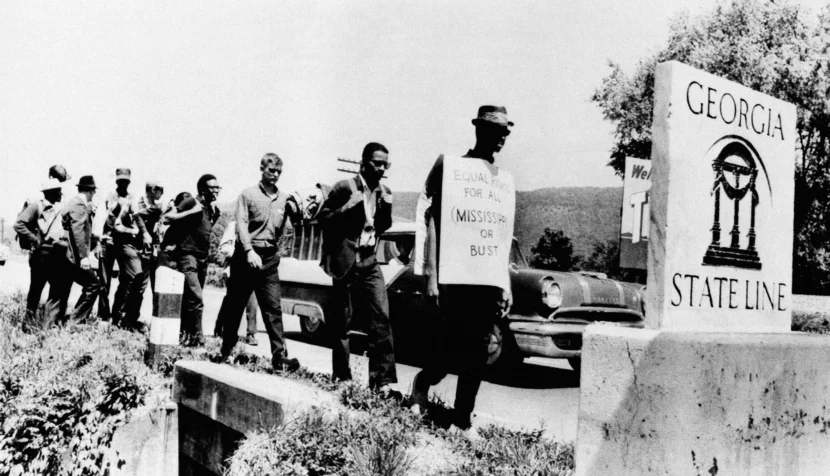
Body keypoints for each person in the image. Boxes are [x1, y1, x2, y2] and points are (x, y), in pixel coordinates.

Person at [408, 106, 515, 439]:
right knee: (449, 348)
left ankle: (462, 419)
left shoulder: (500, 180)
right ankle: (422, 383)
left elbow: (499, 236)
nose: (501, 138)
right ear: (479, 130)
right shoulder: (453, 169)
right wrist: (431, 274)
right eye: (495, 131)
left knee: (479, 351)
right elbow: (433, 220)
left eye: (505, 133)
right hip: (453, 278)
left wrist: (506, 283)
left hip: (486, 280)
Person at [317, 142, 398, 396]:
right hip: (346, 262)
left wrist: (387, 207)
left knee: (381, 317)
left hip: (369, 260)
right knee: (342, 321)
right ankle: (342, 377)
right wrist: (346, 207)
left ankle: (381, 383)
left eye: (385, 164)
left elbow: (382, 226)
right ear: (363, 163)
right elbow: (322, 220)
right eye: (377, 163)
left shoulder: (384, 191)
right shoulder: (344, 187)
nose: (382, 168)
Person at [219, 153, 301, 371]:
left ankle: (279, 358)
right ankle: (226, 351)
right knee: (235, 306)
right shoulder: (248, 194)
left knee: (273, 309)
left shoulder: (284, 199)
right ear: (262, 168)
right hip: (246, 257)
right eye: (271, 170)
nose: (275, 175)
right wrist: (248, 250)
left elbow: (288, 228)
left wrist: (278, 252)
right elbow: (241, 224)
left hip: (269, 260)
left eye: (279, 172)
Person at [169, 175, 221, 347]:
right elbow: (167, 217)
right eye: (213, 188)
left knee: (191, 300)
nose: (216, 191)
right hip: (187, 256)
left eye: (218, 188)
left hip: (202, 258)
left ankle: (186, 335)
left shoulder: (211, 208)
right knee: (196, 298)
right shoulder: (192, 202)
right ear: (203, 189)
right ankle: (198, 339)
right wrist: (192, 211)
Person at [45, 175, 102, 327]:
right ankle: (73, 322)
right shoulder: (79, 205)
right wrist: (83, 257)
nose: (93, 195)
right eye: (93, 192)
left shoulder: (73, 203)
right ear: (90, 191)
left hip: (62, 254)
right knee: (93, 285)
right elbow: (77, 230)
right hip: (72, 256)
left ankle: (49, 327)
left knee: (58, 292)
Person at [95, 168, 149, 322]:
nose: (123, 184)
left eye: (126, 181)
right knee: (104, 281)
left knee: (127, 279)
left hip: (124, 242)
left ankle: (117, 313)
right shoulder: (108, 197)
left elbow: (137, 219)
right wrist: (98, 242)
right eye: (121, 181)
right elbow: (99, 219)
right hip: (107, 240)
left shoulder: (132, 198)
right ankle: (103, 316)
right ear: (117, 181)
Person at [14, 179, 66, 326]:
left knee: (55, 290)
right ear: (52, 192)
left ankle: (47, 324)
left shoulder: (57, 208)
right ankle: (28, 324)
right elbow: (19, 224)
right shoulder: (36, 206)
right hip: (40, 254)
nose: (61, 194)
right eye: (59, 191)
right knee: (36, 289)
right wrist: (34, 239)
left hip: (54, 254)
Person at [125, 180, 165, 323]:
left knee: (151, 287)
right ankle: (129, 319)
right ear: (153, 189)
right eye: (161, 190)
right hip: (135, 250)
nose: (162, 193)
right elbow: (137, 216)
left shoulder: (157, 207)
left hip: (150, 252)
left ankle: (147, 321)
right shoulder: (136, 203)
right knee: (137, 285)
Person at [213, 221, 258, 345]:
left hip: (252, 268)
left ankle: (251, 333)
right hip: (235, 267)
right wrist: (239, 253)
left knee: (252, 300)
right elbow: (223, 246)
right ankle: (220, 327)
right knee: (231, 300)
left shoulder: (257, 225)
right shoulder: (234, 225)